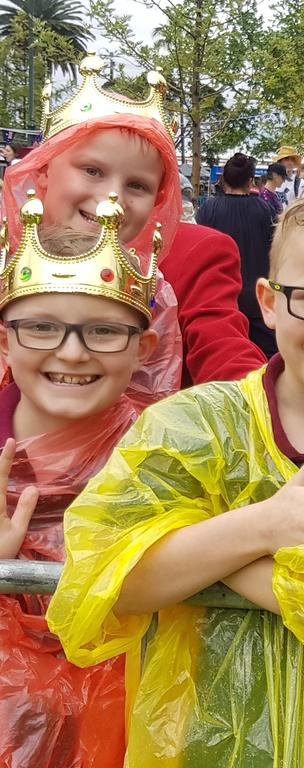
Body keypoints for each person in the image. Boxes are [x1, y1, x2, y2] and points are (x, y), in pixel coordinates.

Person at [47, 182, 304, 766]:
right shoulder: (192, 427)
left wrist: (195, 541)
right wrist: (263, 528)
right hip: (191, 740)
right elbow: (106, 575)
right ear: (268, 301)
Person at [0, 207, 172, 767]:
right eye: (42, 326)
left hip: (124, 729)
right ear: (5, 342)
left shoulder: (168, 457)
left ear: (142, 349)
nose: (72, 351)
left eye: (102, 330)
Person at [3, 54, 266, 385]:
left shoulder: (192, 256)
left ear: (158, 197)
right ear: (43, 171)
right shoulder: (6, 250)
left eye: (137, 186)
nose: (111, 200)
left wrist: (265, 408)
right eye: (92, 171)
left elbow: (225, 353)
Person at [195, 153, 277, 356]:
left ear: (224, 180)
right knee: (264, 359)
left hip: (221, 295)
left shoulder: (209, 209)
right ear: (250, 181)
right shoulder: (263, 208)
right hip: (256, 298)